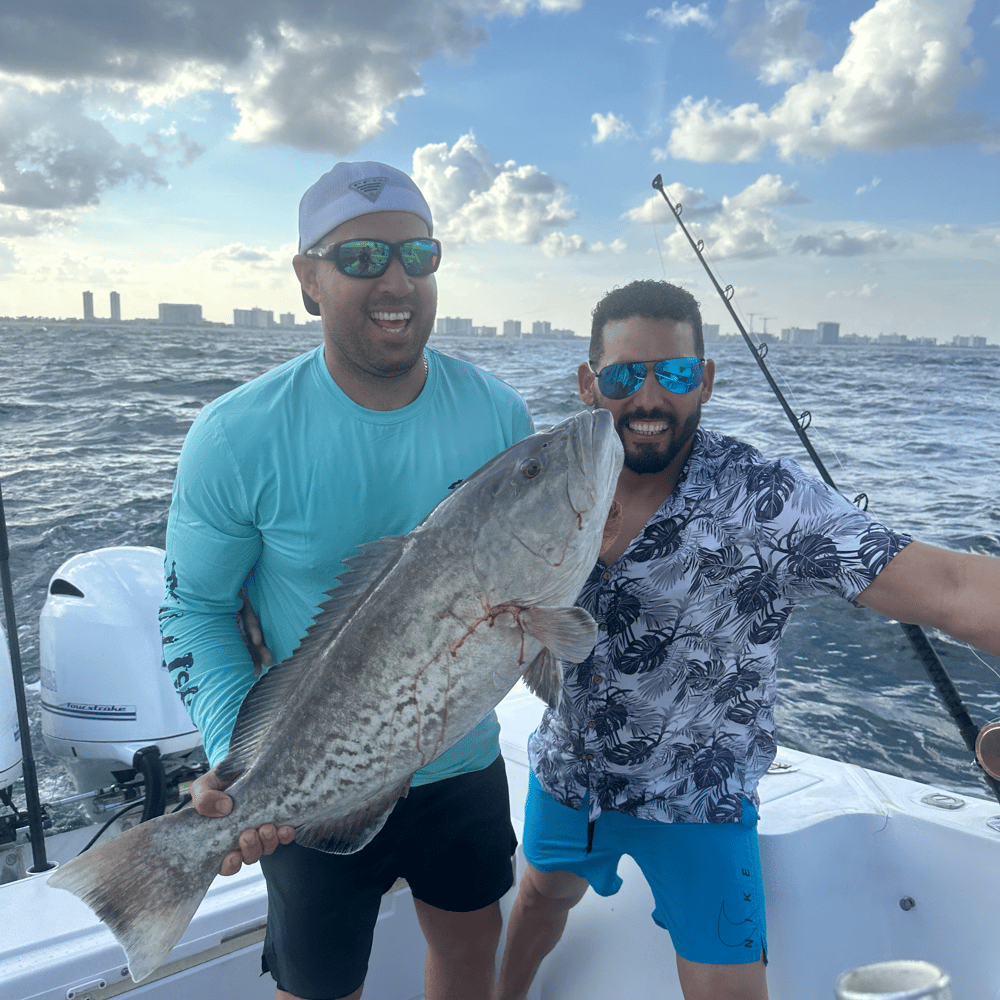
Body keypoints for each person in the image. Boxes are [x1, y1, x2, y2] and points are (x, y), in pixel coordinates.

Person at [492, 279, 1000, 1000]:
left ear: (705, 380)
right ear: (587, 383)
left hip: (700, 800)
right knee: (541, 897)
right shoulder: (538, 485)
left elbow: (946, 586)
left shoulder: (766, 498)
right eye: (622, 375)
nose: (648, 398)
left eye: (673, 373)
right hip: (571, 775)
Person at [159, 161, 534, 1000]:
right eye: (361, 257)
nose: (396, 280)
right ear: (308, 280)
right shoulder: (233, 436)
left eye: (418, 255)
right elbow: (195, 609)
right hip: (314, 770)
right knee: (318, 986)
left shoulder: (501, 416)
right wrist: (237, 753)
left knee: (474, 945)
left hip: (463, 758)